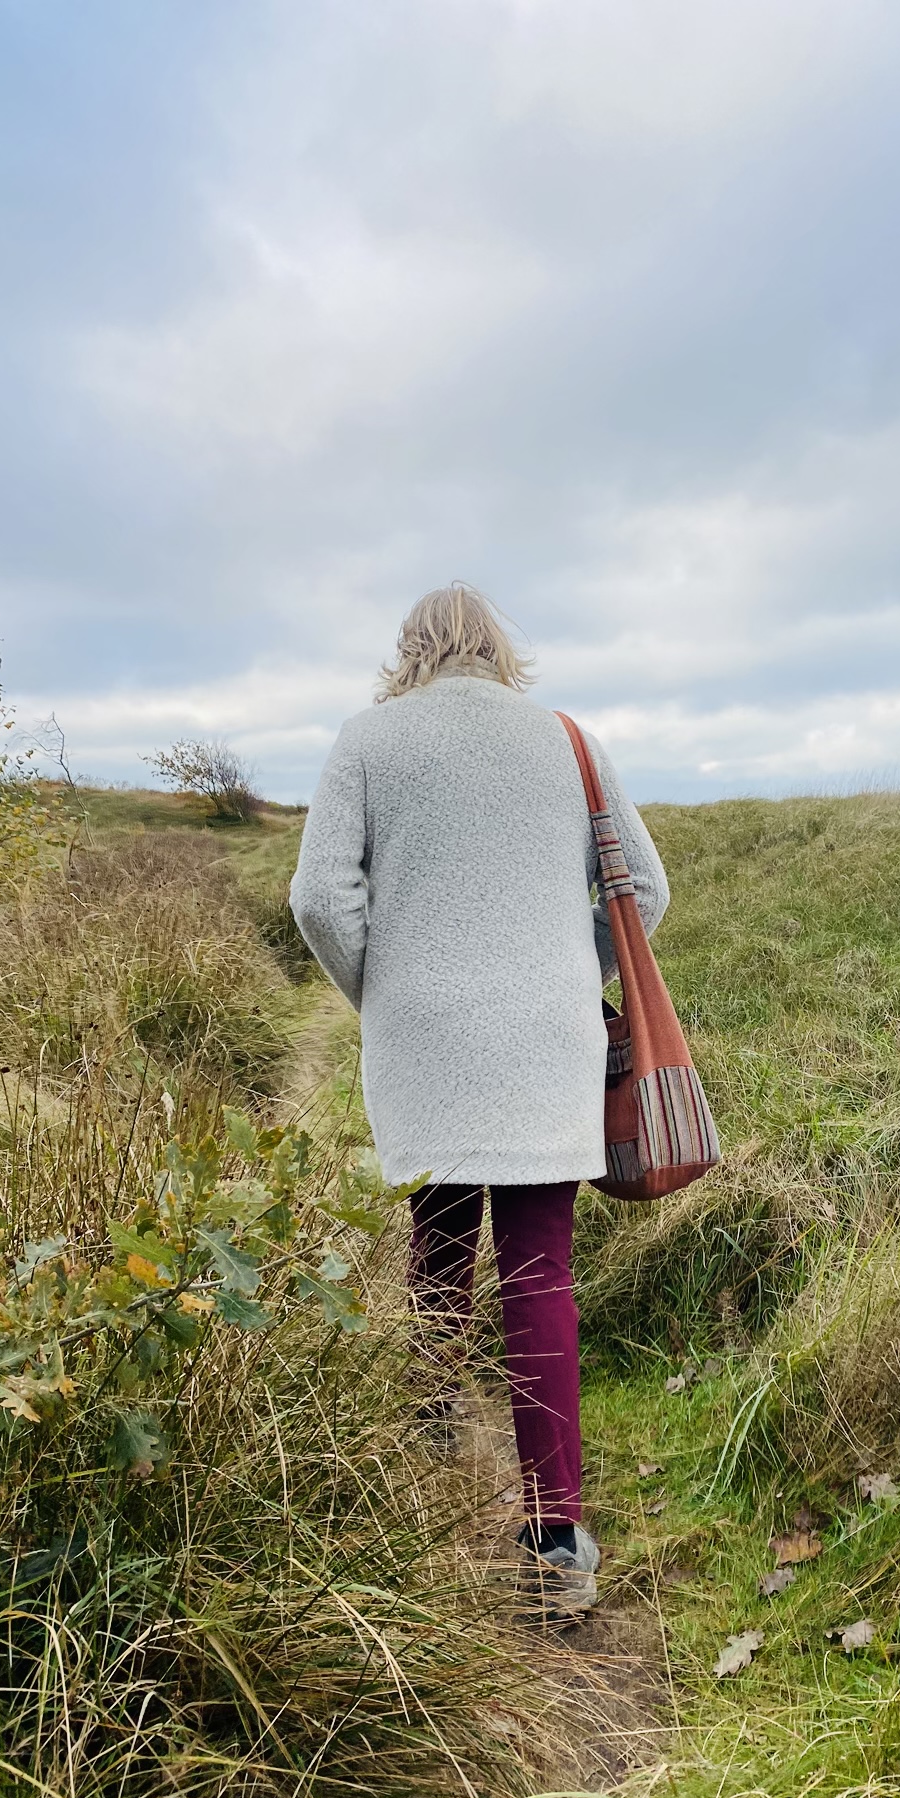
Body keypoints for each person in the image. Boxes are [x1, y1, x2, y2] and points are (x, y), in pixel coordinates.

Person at [289, 584, 669, 1619]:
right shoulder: (568, 741)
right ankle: (556, 1538)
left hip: (426, 1039)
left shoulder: (368, 742)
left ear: (411, 648)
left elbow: (320, 898)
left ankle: (428, 1436)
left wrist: (383, 989)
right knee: (541, 1267)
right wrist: (565, 968)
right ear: (499, 650)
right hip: (550, 1041)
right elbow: (649, 888)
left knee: (439, 1235)